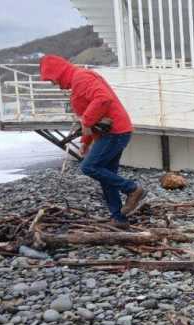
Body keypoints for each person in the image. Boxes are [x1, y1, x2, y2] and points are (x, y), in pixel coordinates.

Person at [39, 55, 146, 229]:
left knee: (90, 167)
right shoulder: (78, 80)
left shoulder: (82, 78)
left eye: (53, 80)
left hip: (115, 132)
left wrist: (87, 122)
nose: (56, 85)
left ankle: (132, 189)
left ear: (59, 73)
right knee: (107, 175)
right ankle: (119, 218)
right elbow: (91, 118)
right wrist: (85, 142)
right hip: (113, 132)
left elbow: (102, 100)